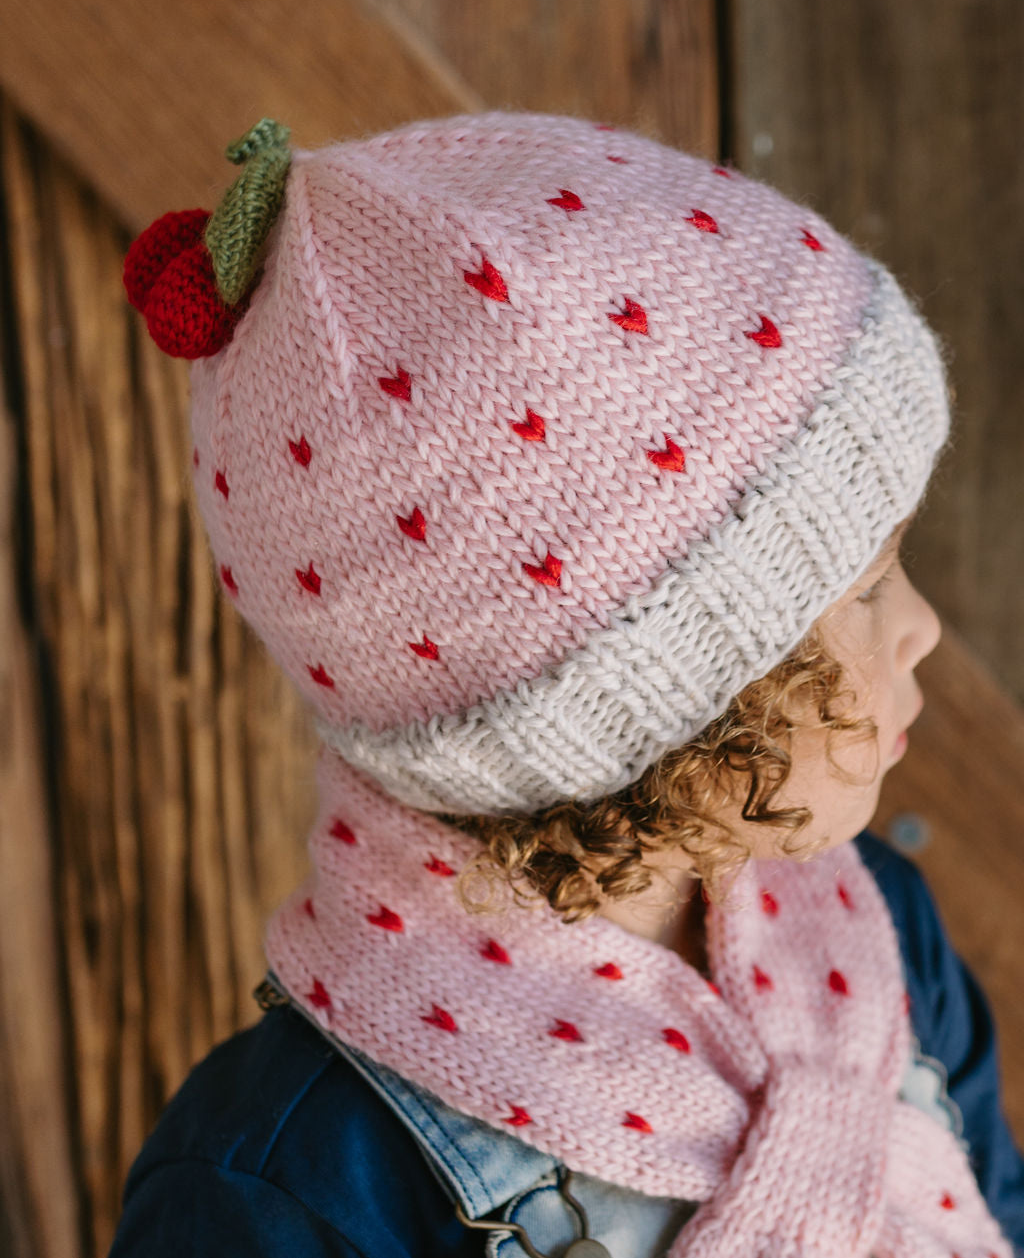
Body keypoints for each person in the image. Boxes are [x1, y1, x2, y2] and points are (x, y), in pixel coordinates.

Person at [110, 112, 1024, 1257]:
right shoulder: (289, 1179)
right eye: (865, 585)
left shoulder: (874, 934)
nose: (925, 627)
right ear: (660, 701)